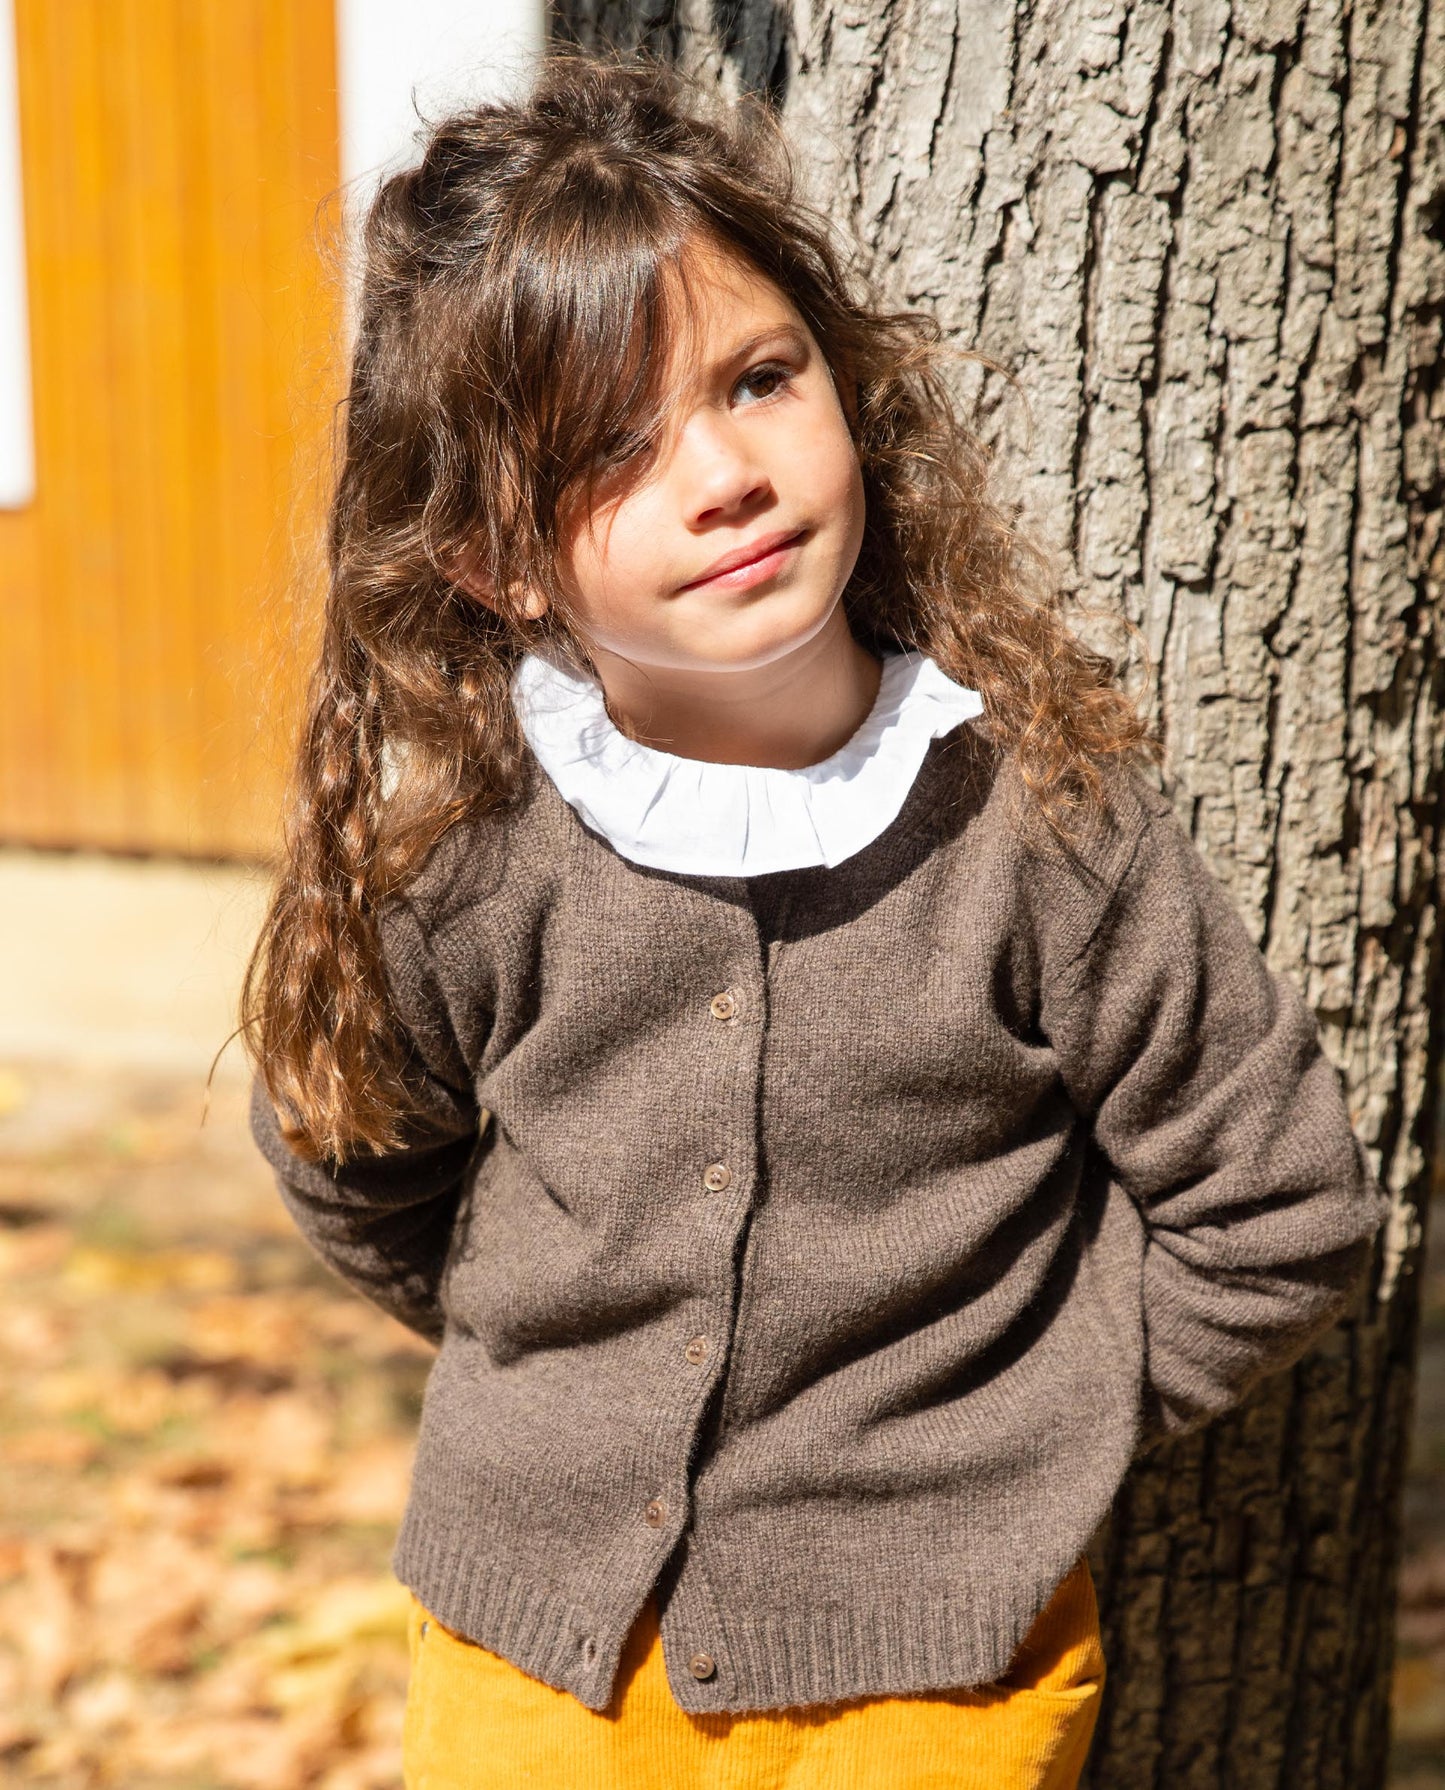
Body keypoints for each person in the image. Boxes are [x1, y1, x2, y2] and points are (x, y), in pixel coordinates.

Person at [242, 51, 1387, 1790]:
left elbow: (1277, 1213)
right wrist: (541, 1362)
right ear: (491, 561)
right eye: (609, 448)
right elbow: (346, 1150)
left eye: (757, 379)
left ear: (842, 388)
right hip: (527, 1651)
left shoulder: (1042, 822)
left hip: (935, 1675)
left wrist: (1024, 1431)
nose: (722, 473)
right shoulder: (470, 852)